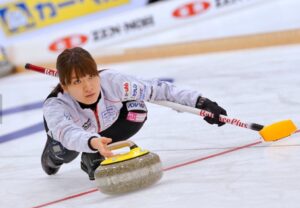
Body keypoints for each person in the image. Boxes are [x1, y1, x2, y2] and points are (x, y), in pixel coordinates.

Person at [42, 47, 227, 180]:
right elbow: (67, 133)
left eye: (91, 77)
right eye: (77, 82)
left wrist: (201, 103)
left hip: (107, 124)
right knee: (65, 152)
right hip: (74, 136)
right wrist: (91, 141)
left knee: (136, 111)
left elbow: (159, 90)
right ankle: (54, 157)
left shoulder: (114, 82)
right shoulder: (55, 105)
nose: (88, 87)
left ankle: (98, 149)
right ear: (65, 86)